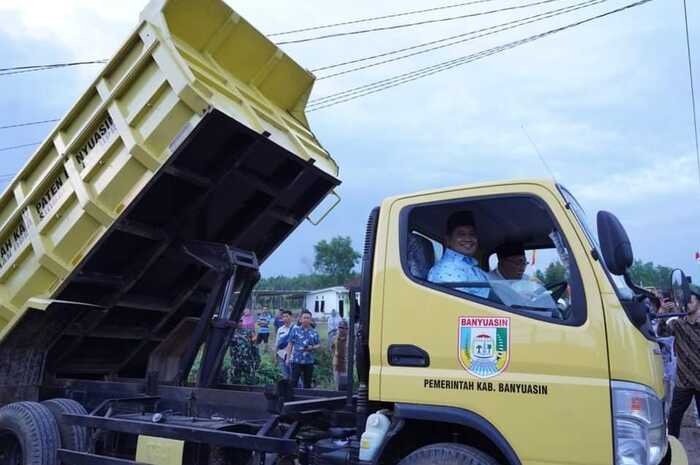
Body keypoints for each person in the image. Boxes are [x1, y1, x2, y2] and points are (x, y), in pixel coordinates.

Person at [428, 211, 489, 298]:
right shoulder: (446, 270)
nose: (468, 239)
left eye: (472, 234)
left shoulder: (472, 267)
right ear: (448, 240)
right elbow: (461, 306)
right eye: (461, 234)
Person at [666, 291, 700, 437]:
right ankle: (672, 448)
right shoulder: (678, 324)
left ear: (699, 303)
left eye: (691, 301)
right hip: (683, 381)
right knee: (674, 417)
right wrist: (664, 311)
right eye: (686, 301)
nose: (687, 304)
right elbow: (660, 331)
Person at [286, 310, 320, 389]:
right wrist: (288, 358)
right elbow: (290, 344)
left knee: (307, 383)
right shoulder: (295, 330)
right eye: (304, 318)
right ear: (300, 319)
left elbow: (318, 344)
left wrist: (312, 347)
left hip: (309, 361)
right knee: (294, 382)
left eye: (308, 318)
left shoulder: (314, 332)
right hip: (296, 360)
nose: (306, 320)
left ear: (311, 320)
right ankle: (292, 400)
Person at [275, 310, 293, 379]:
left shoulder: (295, 328)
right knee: (285, 376)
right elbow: (277, 343)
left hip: (292, 356)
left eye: (287, 316)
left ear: (291, 317)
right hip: (281, 355)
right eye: (283, 317)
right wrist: (275, 355)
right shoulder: (280, 329)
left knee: (293, 376)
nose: (285, 318)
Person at [331, 319, 349, 390]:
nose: (341, 329)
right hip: (337, 365)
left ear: (347, 329)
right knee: (337, 386)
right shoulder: (334, 338)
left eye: (343, 328)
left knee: (345, 386)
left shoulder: (350, 339)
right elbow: (332, 349)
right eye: (340, 327)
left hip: (346, 365)